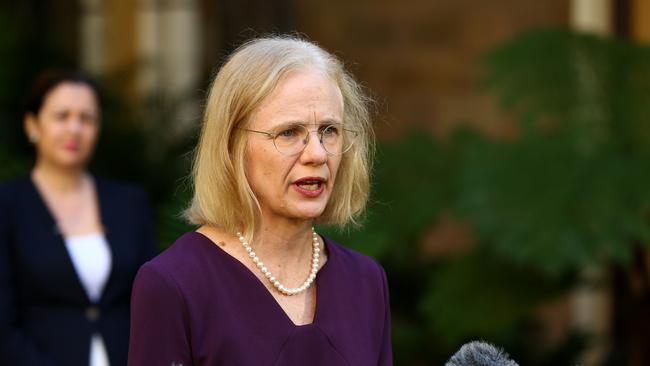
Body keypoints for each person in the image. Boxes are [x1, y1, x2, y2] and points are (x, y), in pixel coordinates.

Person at [128, 36, 392, 365]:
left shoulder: (366, 282)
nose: (317, 153)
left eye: (329, 130)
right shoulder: (174, 284)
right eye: (289, 132)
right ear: (231, 145)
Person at [0, 70, 156, 366]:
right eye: (62, 116)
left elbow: (149, 300)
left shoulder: (128, 202)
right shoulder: (8, 205)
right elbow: (3, 327)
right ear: (32, 125)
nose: (75, 128)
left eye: (87, 118)